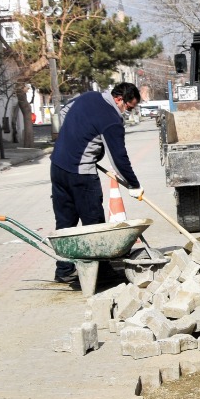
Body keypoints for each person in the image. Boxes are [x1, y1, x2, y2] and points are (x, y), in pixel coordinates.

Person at [48, 82, 142, 286]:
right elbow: (118, 158)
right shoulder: (111, 120)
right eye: (129, 107)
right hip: (81, 174)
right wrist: (134, 184)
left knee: (65, 221)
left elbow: (63, 112)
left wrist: (73, 138)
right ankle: (101, 272)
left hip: (57, 166)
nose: (128, 111)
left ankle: (64, 270)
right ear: (119, 99)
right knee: (94, 223)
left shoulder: (88, 97)